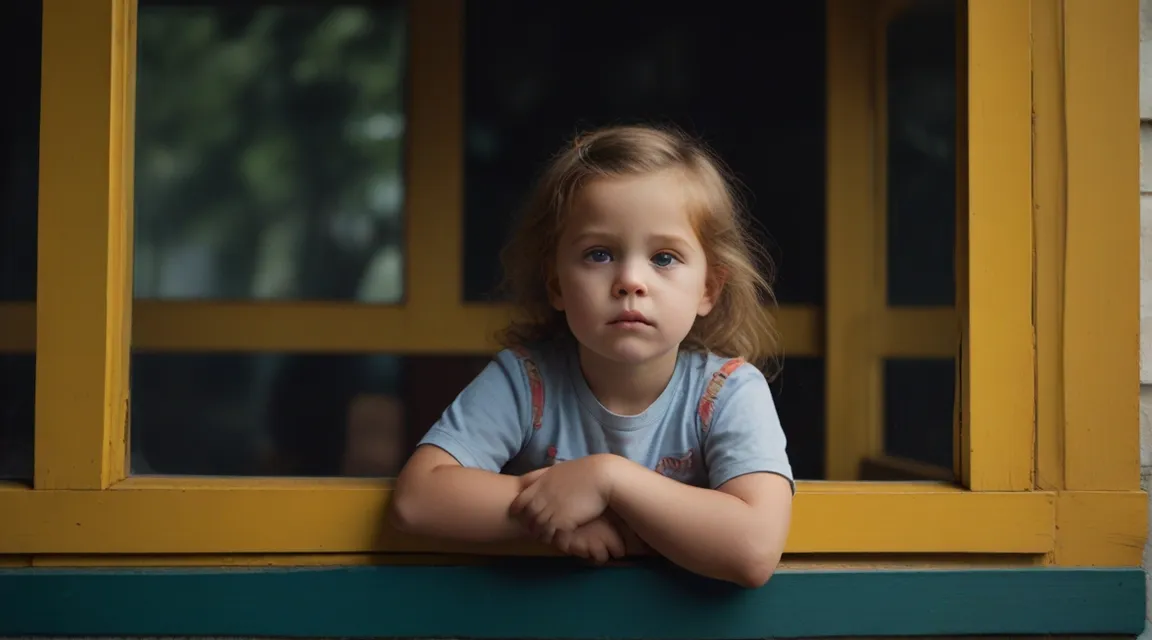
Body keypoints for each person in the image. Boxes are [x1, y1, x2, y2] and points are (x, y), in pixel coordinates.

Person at [389, 124, 794, 588]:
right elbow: (418, 499)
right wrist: (560, 522)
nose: (630, 281)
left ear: (708, 289)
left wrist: (608, 481)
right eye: (599, 254)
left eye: (664, 258)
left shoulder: (729, 391)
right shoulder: (526, 379)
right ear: (557, 284)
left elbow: (753, 550)